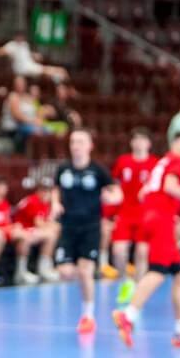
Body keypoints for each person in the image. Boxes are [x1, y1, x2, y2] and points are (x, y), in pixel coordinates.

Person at [112, 132, 180, 348]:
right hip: (161, 220)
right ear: (174, 145)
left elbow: (143, 192)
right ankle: (128, 315)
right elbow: (169, 187)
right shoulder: (176, 162)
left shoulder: (161, 163)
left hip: (150, 217)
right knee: (157, 271)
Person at [50, 128, 122, 333]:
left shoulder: (98, 170)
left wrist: (111, 198)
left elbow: (117, 193)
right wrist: (55, 203)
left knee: (85, 270)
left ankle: (88, 315)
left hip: (90, 227)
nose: (76, 146)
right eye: (73, 142)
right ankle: (85, 281)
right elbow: (56, 189)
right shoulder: (63, 169)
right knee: (65, 272)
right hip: (68, 227)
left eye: (81, 142)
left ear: (90, 146)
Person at [110, 128, 159, 305]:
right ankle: (125, 281)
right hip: (125, 213)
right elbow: (114, 186)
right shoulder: (123, 161)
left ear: (149, 144)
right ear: (131, 143)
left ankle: (138, 289)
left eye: (142, 139)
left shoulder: (155, 163)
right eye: (136, 139)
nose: (139, 143)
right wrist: (111, 212)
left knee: (142, 252)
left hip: (145, 215)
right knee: (118, 251)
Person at [0, 177, 44, 285]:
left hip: (7, 231)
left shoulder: (5, 204)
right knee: (22, 236)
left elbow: (8, 222)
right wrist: (8, 228)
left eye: (2, 186)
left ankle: (21, 271)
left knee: (25, 237)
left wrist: (14, 226)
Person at [14, 178, 60, 281]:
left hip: (30, 230)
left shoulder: (44, 203)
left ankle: (44, 268)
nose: (46, 193)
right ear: (38, 190)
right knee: (48, 234)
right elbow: (39, 223)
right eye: (43, 190)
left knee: (51, 235)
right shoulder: (33, 201)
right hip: (21, 230)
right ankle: (20, 272)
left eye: (48, 191)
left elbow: (45, 222)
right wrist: (54, 226)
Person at [0, 32, 69, 81]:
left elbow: (27, 55)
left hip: (31, 65)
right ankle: (62, 80)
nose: (21, 38)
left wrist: (35, 55)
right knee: (58, 71)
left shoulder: (24, 44)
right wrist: (7, 54)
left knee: (61, 72)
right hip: (23, 69)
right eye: (19, 37)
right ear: (16, 37)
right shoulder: (12, 45)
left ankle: (60, 80)